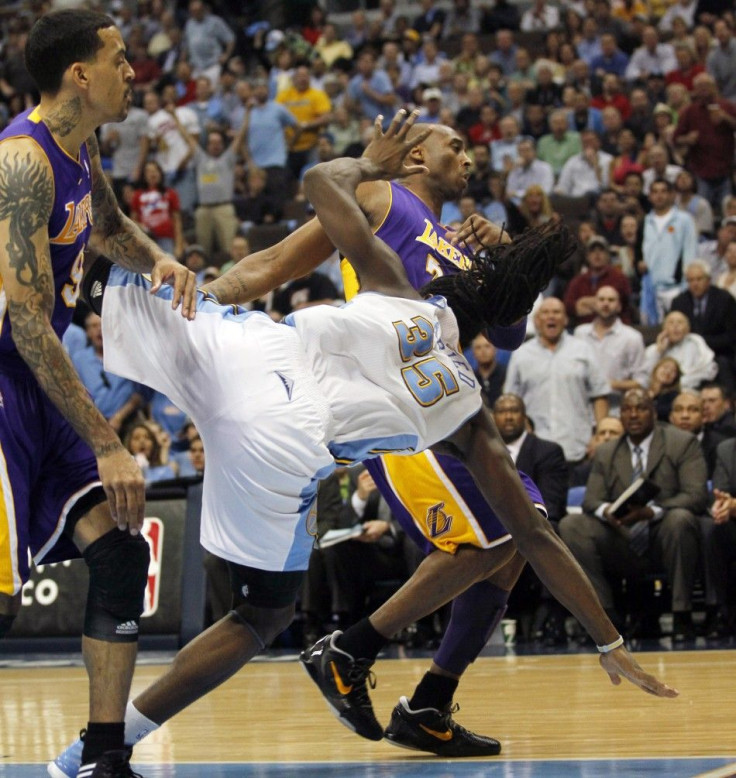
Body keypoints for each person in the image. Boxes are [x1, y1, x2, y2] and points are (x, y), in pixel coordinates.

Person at [51, 112, 677, 778]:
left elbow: (501, 317)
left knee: (91, 276)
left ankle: (63, 205)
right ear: (412, 156)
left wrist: (204, 307)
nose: (468, 157)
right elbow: (277, 257)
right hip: (305, 440)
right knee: (285, 605)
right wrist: (608, 638)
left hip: (249, 358)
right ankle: (113, 745)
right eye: (454, 144)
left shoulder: (402, 276)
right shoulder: (399, 231)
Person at [0, 10, 196, 778]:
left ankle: (103, 757)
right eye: (119, 58)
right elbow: (26, 324)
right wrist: (110, 441)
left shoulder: (82, 146)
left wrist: (157, 261)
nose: (132, 70)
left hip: (39, 383)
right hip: (9, 386)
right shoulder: (22, 164)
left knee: (118, 559)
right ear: (80, 74)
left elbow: (108, 223)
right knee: (4, 606)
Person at [559, 388, 708, 641]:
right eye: (627, 409)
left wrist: (653, 512)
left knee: (680, 519)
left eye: (640, 408)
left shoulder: (681, 442)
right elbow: (591, 501)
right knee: (572, 525)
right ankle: (604, 618)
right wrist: (609, 511)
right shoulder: (607, 451)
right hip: (621, 537)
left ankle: (682, 615)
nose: (633, 415)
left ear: (653, 412)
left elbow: (696, 495)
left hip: (665, 537)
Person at [505, 297, 611, 465]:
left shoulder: (583, 349)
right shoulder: (521, 355)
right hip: (534, 451)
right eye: (545, 312)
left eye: (556, 312)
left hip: (578, 448)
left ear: (566, 319)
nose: (551, 317)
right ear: (537, 321)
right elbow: (511, 400)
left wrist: (599, 434)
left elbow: (599, 395)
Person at [574, 285, 649, 416]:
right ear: (595, 304)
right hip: (582, 410)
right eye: (601, 299)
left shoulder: (632, 337)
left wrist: (607, 385)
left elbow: (641, 382)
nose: (606, 303)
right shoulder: (580, 333)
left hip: (616, 411)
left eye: (611, 300)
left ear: (619, 306)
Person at [670, 260, 736, 394]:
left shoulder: (724, 299)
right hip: (686, 355)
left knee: (723, 364)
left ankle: (729, 403)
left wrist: (700, 341)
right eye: (690, 280)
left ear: (708, 280)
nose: (695, 284)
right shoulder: (679, 302)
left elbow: (731, 336)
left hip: (718, 352)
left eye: (699, 279)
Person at [643, 310, 718, 390]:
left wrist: (674, 385)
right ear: (664, 328)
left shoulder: (695, 345)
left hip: (687, 389)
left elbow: (707, 370)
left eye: (680, 322)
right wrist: (658, 351)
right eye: (671, 323)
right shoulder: (654, 349)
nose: (675, 326)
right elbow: (646, 375)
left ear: (687, 329)